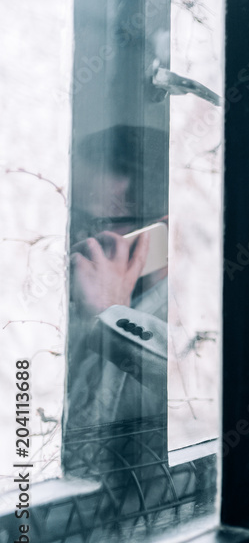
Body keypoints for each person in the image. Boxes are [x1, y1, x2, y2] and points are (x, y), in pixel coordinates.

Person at [64, 124, 169, 472]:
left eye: (96, 223)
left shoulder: (197, 317)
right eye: (72, 220)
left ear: (161, 230)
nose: (77, 239)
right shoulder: (89, 306)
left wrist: (111, 314)